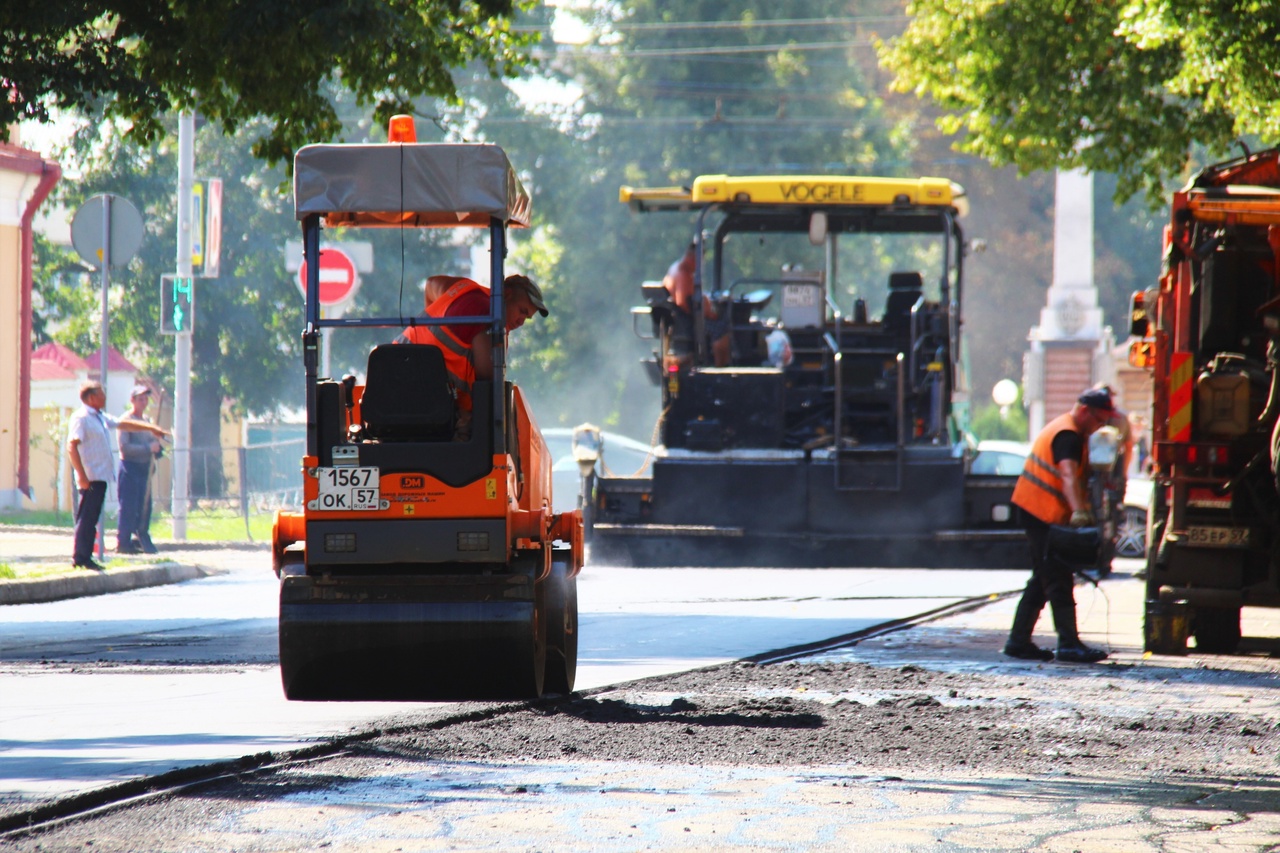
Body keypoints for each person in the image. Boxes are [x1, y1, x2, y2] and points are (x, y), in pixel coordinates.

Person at [1002, 387, 1115, 664]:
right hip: (1040, 513)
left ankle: (1018, 642)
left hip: (1037, 511)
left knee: (1043, 578)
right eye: (1099, 420)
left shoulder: (1069, 430)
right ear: (1085, 411)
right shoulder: (1068, 435)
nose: (1100, 426)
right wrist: (1078, 512)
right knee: (1057, 577)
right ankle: (1068, 645)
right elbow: (1067, 475)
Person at [395, 273, 548, 437]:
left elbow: (431, 283)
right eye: (521, 311)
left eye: (527, 318)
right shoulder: (487, 316)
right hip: (423, 407)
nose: (521, 322)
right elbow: (488, 383)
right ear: (507, 294)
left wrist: (429, 328)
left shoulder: (464, 288)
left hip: (390, 378)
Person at [67, 381, 170, 570]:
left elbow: (122, 424)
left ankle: (86, 556)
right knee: (87, 517)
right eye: (101, 394)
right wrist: (81, 475)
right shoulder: (81, 418)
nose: (104, 397)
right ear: (91, 397)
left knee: (93, 517)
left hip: (100, 475)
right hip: (89, 476)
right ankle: (80, 557)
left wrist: (150, 429)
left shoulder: (99, 417)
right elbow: (72, 446)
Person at [662, 243, 731, 368]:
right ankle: (721, 368)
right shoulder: (683, 273)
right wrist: (709, 313)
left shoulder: (675, 268)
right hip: (688, 323)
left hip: (679, 321)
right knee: (722, 328)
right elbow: (685, 303)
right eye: (701, 262)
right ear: (693, 258)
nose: (700, 267)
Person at [116, 384, 162, 554]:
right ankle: (123, 542)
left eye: (145, 399)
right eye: (140, 399)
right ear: (132, 401)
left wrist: (157, 447)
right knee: (128, 506)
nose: (144, 402)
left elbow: (153, 445)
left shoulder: (148, 422)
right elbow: (125, 447)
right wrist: (148, 447)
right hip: (130, 468)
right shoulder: (126, 421)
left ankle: (140, 536)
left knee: (144, 506)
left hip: (145, 469)